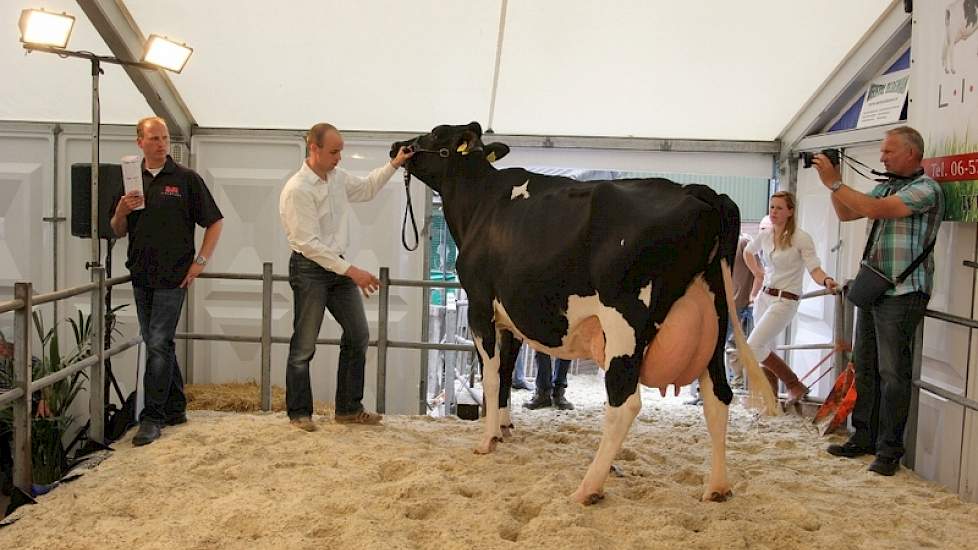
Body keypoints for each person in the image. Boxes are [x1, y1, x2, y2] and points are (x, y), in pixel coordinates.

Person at [814, 126, 944, 476]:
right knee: (866, 367)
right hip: (876, 288)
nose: (882, 157)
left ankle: (889, 451)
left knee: (893, 374)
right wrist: (833, 187)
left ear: (912, 154)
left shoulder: (925, 190)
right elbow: (847, 213)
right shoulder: (888, 184)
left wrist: (836, 183)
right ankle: (864, 437)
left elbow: (876, 208)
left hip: (903, 292)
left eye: (888, 151)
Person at [279, 123, 413, 431]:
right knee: (304, 344)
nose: (339, 157)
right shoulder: (297, 189)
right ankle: (299, 414)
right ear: (313, 148)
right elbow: (308, 244)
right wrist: (353, 271)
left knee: (358, 334)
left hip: (335, 265)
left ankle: (349, 408)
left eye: (340, 150)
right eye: (334, 151)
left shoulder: (337, 178)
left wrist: (394, 164)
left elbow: (366, 188)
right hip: (310, 268)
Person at [110, 116, 224, 447]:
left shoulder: (186, 179)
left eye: (164, 138)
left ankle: (152, 416)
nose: (161, 144)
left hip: (174, 276)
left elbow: (214, 222)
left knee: (157, 342)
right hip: (141, 273)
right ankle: (175, 407)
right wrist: (120, 210)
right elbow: (117, 230)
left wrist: (199, 262)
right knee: (158, 340)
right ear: (139, 142)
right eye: (154, 138)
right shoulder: (130, 181)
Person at [744, 191, 838, 408]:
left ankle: (793, 383)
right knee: (762, 348)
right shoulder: (766, 235)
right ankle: (770, 401)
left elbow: (814, 268)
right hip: (765, 296)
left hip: (785, 299)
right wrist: (758, 273)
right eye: (772, 207)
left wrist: (827, 281)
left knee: (753, 346)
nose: (774, 212)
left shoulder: (801, 238)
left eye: (779, 208)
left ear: (790, 211)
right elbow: (748, 252)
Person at [686, 229, 756, 404]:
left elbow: (758, 273)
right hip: (713, 305)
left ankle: (714, 391)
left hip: (734, 305)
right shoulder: (710, 246)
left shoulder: (743, 243)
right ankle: (704, 392)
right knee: (708, 347)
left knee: (718, 347)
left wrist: (750, 297)